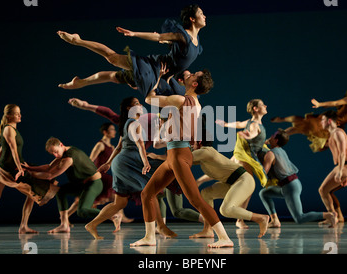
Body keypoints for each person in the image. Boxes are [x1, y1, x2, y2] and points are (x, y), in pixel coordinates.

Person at [131, 64, 233, 248]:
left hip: (179, 155)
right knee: (147, 194)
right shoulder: (195, 103)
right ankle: (149, 237)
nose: (189, 74)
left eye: (193, 74)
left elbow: (149, 99)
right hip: (174, 154)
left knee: (195, 200)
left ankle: (225, 238)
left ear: (194, 83)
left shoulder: (181, 100)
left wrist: (157, 77)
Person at [57, 4, 206, 99]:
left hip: (162, 79)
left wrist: (167, 76)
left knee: (115, 77)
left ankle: (80, 82)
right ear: (192, 19)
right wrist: (134, 33)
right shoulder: (183, 36)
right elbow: (158, 36)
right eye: (201, 13)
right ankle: (78, 40)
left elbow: (178, 59)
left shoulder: (197, 44)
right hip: (153, 67)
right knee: (113, 59)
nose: (204, 16)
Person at [84, 97, 176, 239]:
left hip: (120, 162)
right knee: (151, 192)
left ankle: (92, 224)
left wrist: (108, 163)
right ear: (129, 108)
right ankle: (161, 227)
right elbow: (139, 144)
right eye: (136, 104)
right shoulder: (134, 123)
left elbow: (120, 146)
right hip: (129, 162)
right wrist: (145, 162)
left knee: (120, 202)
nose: (140, 105)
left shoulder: (127, 123)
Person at [0, 104, 59, 235]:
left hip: (11, 167)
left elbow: (2, 148)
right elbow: (12, 150)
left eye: (20, 113)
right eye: (17, 113)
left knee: (32, 194)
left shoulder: (13, 129)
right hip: (6, 169)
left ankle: (23, 226)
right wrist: (17, 168)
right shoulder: (8, 129)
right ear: (8, 116)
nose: (20, 115)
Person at [192, 116, 269, 238]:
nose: (191, 145)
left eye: (193, 142)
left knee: (226, 210)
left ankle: (261, 218)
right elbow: (213, 172)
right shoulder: (205, 156)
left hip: (244, 180)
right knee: (206, 194)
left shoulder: (205, 152)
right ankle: (208, 230)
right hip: (231, 182)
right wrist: (199, 181)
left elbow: (181, 159)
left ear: (200, 142)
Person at [23, 137, 104, 233]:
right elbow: (49, 167)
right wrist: (30, 168)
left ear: (61, 145)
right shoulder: (66, 151)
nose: (55, 155)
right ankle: (64, 225)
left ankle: (112, 215)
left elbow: (50, 175)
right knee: (61, 192)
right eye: (52, 153)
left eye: (56, 152)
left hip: (94, 184)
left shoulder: (69, 158)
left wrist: (29, 174)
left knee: (82, 211)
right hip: (83, 184)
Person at [258, 129, 336, 228]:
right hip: (292, 184)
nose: (271, 136)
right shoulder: (281, 150)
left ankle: (329, 215)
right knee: (264, 193)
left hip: (290, 186)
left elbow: (263, 172)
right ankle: (274, 220)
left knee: (299, 218)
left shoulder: (270, 154)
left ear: (276, 140)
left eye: (273, 135)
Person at [215, 99, 272, 228]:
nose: (266, 106)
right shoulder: (254, 125)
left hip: (244, 155)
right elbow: (252, 132)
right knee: (248, 187)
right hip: (246, 157)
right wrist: (248, 136)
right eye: (263, 104)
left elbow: (238, 124)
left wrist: (225, 125)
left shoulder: (251, 122)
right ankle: (239, 219)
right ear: (256, 109)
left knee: (228, 175)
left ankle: (238, 217)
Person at [271, 79, 347, 152]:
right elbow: (335, 103)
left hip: (334, 125)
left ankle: (278, 134)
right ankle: (282, 121)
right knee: (303, 124)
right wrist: (319, 104)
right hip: (330, 121)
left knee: (301, 128)